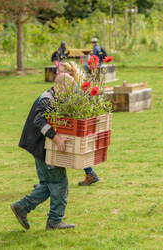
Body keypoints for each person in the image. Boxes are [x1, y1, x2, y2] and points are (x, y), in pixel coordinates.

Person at [11, 76, 76, 230]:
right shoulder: (47, 99)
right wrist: (57, 138)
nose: (71, 93)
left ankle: (22, 207)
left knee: (48, 183)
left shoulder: (52, 97)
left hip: (38, 146)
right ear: (60, 87)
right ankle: (54, 221)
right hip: (42, 147)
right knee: (59, 183)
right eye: (70, 90)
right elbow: (39, 121)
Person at [34, 61, 101, 187]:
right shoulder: (73, 84)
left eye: (60, 71)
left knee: (53, 148)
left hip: (68, 123)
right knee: (74, 147)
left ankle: (44, 182)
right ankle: (90, 173)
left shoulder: (71, 87)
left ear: (68, 74)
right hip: (68, 122)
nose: (57, 73)